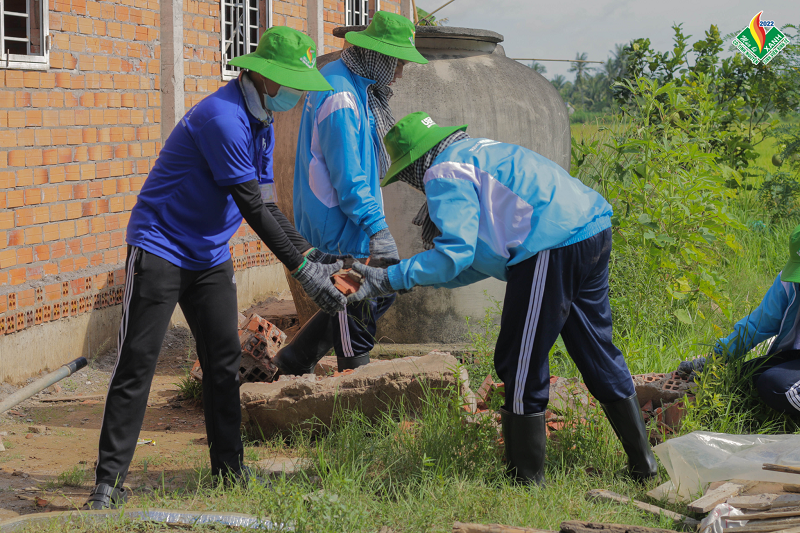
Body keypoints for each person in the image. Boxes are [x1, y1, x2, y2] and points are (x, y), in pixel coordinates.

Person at [85, 27, 347, 510]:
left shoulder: (262, 120)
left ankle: (230, 472)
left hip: (209, 255)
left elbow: (270, 206)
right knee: (138, 362)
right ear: (263, 76)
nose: (298, 92)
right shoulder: (223, 119)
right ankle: (108, 484)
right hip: (160, 246)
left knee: (224, 363)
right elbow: (252, 207)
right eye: (292, 81)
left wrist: (310, 258)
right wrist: (305, 270)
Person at [347, 112, 659, 485]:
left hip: (551, 244)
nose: (415, 187)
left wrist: (389, 277)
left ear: (415, 164)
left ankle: (525, 480)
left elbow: (454, 253)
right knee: (595, 349)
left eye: (407, 177)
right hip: (590, 229)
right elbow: (480, 257)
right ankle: (644, 466)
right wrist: (406, 282)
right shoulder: (475, 153)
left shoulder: (443, 170)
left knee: (519, 358)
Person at [281, 11, 428, 374]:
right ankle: (354, 391)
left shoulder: (353, 85)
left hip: (346, 220)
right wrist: (377, 228)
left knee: (364, 292)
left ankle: (294, 360)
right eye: (397, 62)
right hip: (339, 224)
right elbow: (348, 179)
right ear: (378, 57)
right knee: (355, 312)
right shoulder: (342, 96)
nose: (400, 73)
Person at [677, 225, 800, 417]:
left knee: (778, 387)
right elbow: (758, 324)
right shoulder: (790, 282)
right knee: (744, 379)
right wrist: (717, 358)